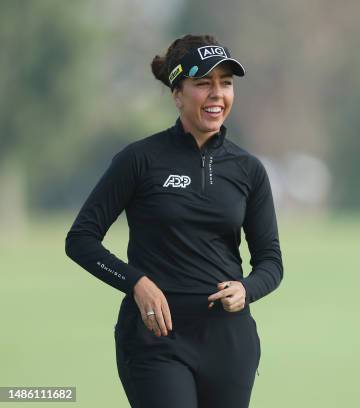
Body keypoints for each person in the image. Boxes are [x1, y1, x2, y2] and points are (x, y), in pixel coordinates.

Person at [65, 34, 283, 408]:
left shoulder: (249, 170)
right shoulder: (139, 160)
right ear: (177, 94)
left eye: (226, 84)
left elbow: (271, 262)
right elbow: (81, 239)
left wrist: (246, 290)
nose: (217, 94)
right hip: (155, 340)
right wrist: (136, 283)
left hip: (229, 343)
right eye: (203, 84)